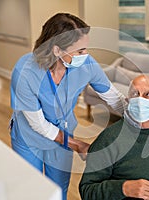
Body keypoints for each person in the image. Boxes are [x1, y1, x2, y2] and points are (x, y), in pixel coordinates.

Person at [10, 13, 125, 200]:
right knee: (31, 191)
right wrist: (78, 144)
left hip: (62, 134)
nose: (85, 56)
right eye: (80, 51)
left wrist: (137, 112)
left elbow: (113, 98)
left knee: (58, 191)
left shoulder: (86, 64)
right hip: (29, 138)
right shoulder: (25, 71)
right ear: (57, 50)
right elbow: (38, 125)